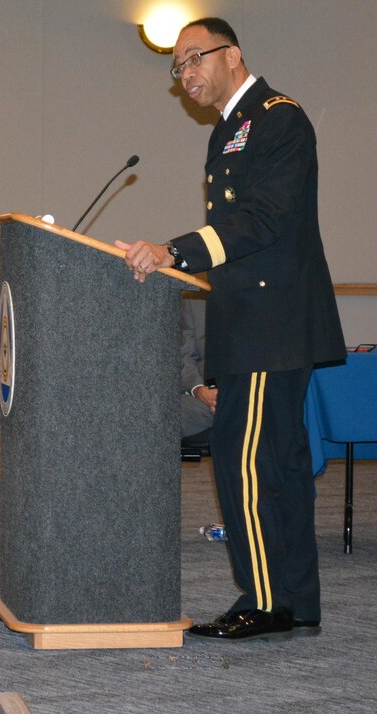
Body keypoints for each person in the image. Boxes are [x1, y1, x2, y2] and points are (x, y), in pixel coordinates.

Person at [115, 17, 345, 640]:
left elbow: (262, 220)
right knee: (281, 465)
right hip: (256, 324)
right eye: (178, 66)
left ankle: (265, 600)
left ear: (234, 54)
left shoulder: (277, 118)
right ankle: (294, 600)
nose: (186, 73)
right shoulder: (233, 129)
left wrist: (173, 251)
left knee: (246, 464)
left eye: (195, 57)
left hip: (271, 326)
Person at [180, 297, 214, 442]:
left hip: (243, 396)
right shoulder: (194, 303)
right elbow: (184, 358)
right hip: (196, 394)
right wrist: (198, 389)